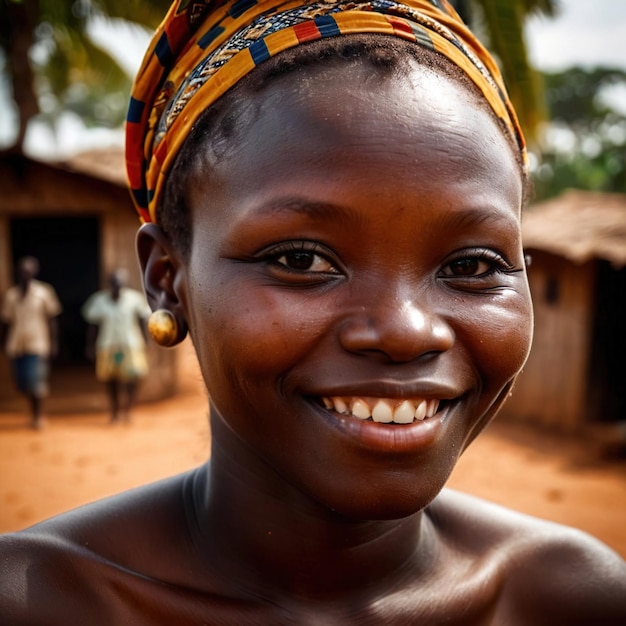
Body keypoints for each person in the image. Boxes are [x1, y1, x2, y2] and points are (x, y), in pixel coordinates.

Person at [1, 0, 625, 622]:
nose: (406, 331)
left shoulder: (574, 599)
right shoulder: (38, 602)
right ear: (167, 279)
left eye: (472, 266)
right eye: (301, 259)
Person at [81, 269, 151, 423]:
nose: (117, 287)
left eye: (120, 284)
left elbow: (142, 320)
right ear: (109, 284)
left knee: (133, 377)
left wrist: (146, 341)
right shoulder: (98, 301)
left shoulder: (135, 299)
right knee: (110, 379)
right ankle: (115, 410)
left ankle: (128, 409)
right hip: (107, 345)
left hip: (131, 344)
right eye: (114, 284)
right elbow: (93, 326)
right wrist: (90, 346)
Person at [0, 256, 61, 429]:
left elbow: (52, 320)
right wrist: (3, 343)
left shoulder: (43, 293)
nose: (25, 273)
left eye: (29, 270)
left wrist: (54, 342)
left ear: (34, 272)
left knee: (36, 381)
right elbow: (5, 322)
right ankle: (33, 413)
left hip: (38, 343)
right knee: (22, 383)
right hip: (17, 344)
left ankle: (38, 416)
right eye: (22, 270)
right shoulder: (11, 295)